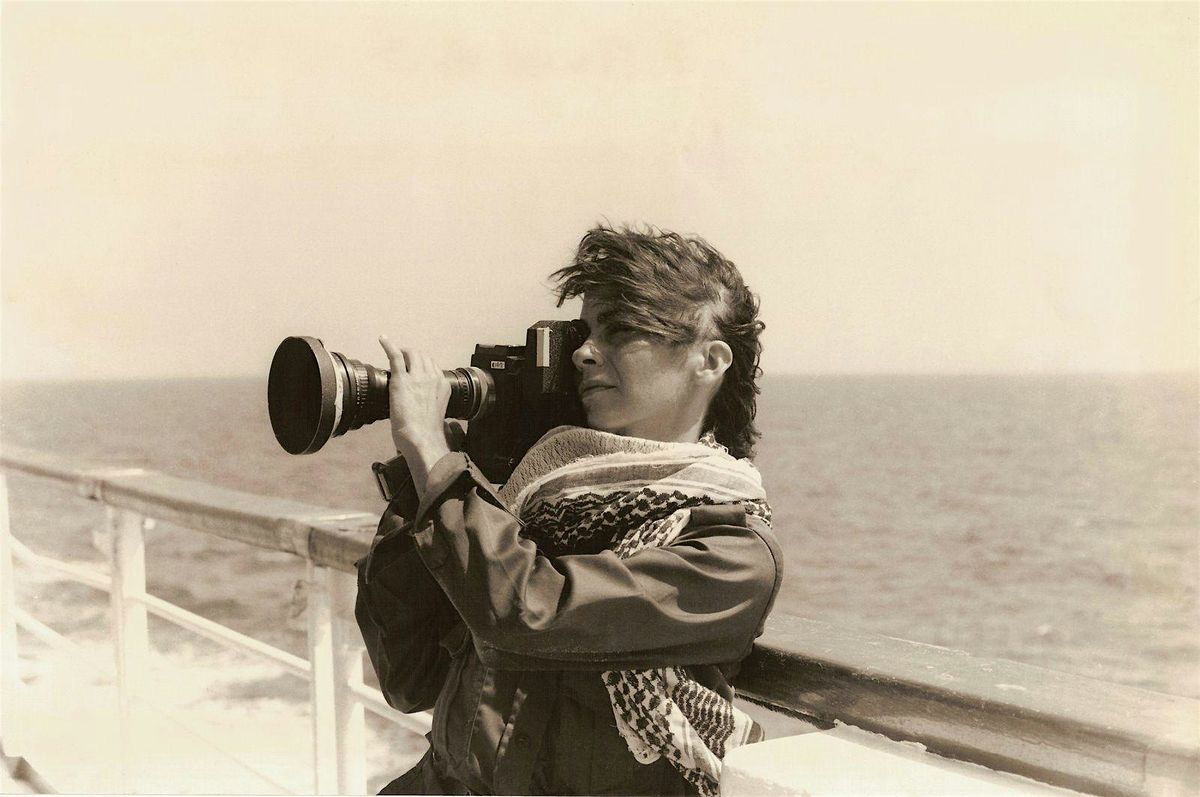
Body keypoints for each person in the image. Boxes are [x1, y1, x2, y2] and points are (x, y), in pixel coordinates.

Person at [355, 225, 783, 796]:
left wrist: (435, 461)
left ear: (709, 360)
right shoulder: (533, 507)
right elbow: (409, 678)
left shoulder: (730, 555)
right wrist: (426, 485)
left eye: (621, 331)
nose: (583, 353)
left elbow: (531, 610)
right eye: (583, 334)